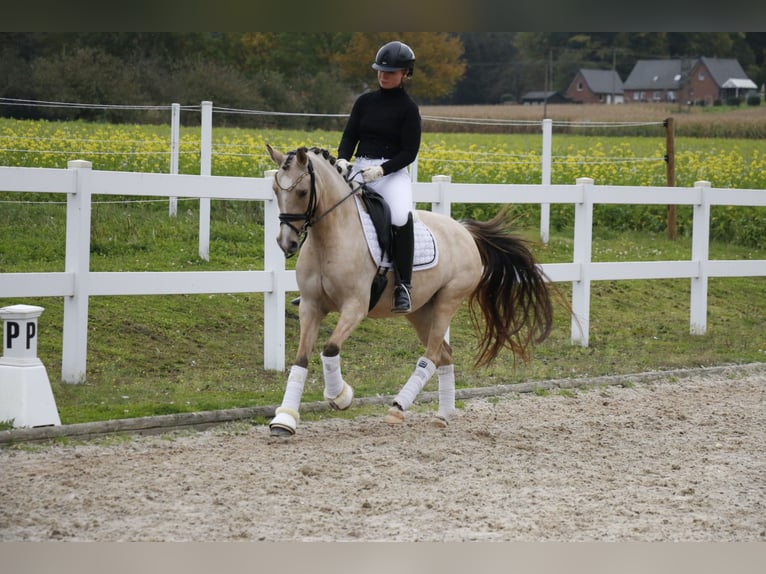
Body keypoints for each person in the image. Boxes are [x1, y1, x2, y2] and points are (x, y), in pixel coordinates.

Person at [335, 40, 421, 313]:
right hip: (360, 167)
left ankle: (403, 286)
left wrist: (383, 170)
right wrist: (342, 159)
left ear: (405, 74)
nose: (384, 75)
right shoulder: (364, 102)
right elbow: (350, 135)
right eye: (381, 70)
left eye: (391, 72)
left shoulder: (409, 109)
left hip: (391, 172)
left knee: (399, 216)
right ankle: (323, 282)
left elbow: (410, 152)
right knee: (333, 211)